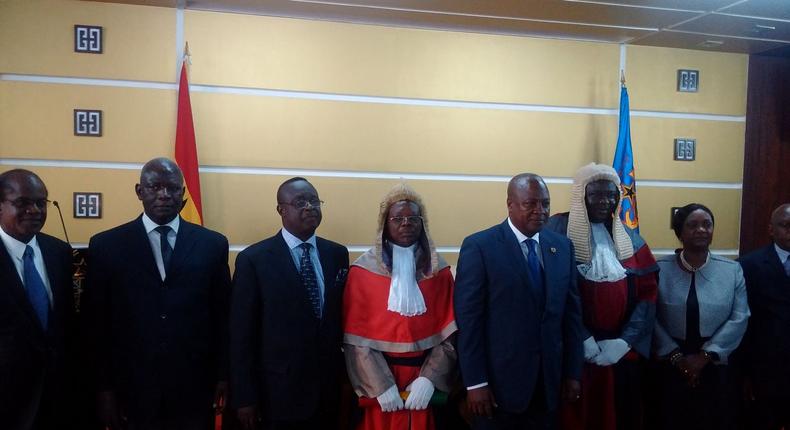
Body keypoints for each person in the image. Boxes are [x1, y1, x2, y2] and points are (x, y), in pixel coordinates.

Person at [88, 157, 231, 430]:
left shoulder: (212, 244)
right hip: (132, 388)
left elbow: (222, 315)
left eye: (173, 188)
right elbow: (98, 326)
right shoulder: (107, 246)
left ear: (183, 193)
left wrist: (223, 375)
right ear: (139, 191)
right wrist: (104, 389)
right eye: (155, 187)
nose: (164, 195)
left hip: (194, 386)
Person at [454, 173, 583, 430]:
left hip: (548, 385)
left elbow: (571, 317)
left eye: (545, 203)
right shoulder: (480, 247)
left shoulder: (562, 247)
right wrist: (475, 382)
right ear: (510, 205)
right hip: (497, 388)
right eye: (530, 204)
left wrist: (572, 373)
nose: (540, 211)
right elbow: (469, 322)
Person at [230, 177, 349, 430]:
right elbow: (241, 336)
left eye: (314, 201)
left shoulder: (337, 254)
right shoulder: (254, 260)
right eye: (300, 202)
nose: (309, 207)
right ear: (281, 210)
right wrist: (244, 397)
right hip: (277, 395)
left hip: (328, 392)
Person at [545, 163, 658, 430]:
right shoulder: (554, 233)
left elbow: (647, 294)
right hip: (572, 353)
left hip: (620, 353)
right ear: (581, 195)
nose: (605, 201)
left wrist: (625, 342)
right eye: (596, 194)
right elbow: (550, 293)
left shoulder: (630, 239)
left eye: (611, 194)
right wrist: (581, 338)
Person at [343, 183, 457, 430]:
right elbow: (355, 340)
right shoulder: (362, 272)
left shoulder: (440, 272)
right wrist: (380, 386)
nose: (406, 223)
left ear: (422, 223)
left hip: (423, 386)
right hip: (381, 388)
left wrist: (429, 380)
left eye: (412, 217)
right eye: (397, 218)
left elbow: (449, 337)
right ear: (385, 224)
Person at [652, 203, 749, 430]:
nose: (701, 230)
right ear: (680, 232)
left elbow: (740, 316)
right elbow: (651, 316)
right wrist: (677, 358)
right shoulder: (659, 269)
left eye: (707, 224)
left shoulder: (732, 270)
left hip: (717, 364)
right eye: (693, 225)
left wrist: (704, 357)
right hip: (670, 363)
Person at [0, 169, 73, 430]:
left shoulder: (60, 252)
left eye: (41, 202)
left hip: (58, 398)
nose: (34, 210)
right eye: (22, 203)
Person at [738, 203, 790, 430]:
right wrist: (744, 372)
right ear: (771, 229)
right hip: (765, 367)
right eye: (785, 225)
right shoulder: (749, 265)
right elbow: (744, 321)